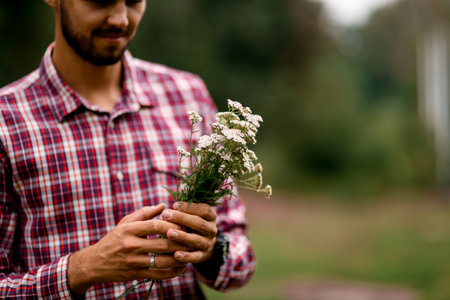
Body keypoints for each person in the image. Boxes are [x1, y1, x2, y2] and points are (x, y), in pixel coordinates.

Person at [0, 0, 256, 298]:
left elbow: (240, 257)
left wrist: (211, 250)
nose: (120, 19)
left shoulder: (187, 94)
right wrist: (84, 268)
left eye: (134, 1)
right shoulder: (6, 120)